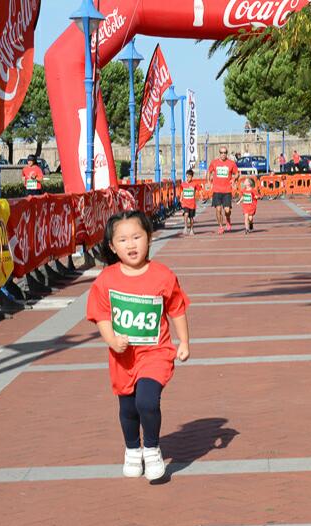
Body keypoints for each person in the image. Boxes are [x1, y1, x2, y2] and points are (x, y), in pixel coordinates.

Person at [86, 210, 191, 481]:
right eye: (123, 240)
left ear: (149, 238)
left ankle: (152, 449)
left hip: (155, 353)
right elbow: (101, 315)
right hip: (123, 357)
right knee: (128, 407)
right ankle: (132, 449)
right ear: (112, 246)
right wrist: (112, 340)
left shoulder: (163, 275)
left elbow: (177, 308)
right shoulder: (106, 279)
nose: (131, 245)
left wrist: (184, 342)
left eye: (137, 237)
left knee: (146, 401)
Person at [207, 146, 240, 234]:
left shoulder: (231, 163)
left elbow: (237, 173)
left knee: (227, 210)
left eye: (225, 152)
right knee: (218, 209)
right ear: (219, 153)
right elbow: (209, 171)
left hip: (227, 191)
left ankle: (228, 220)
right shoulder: (214, 163)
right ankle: (221, 226)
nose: (223, 154)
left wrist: (234, 179)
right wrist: (208, 182)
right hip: (217, 190)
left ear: (227, 153)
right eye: (221, 153)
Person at [180, 169, 200, 236]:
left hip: (192, 204)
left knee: (191, 218)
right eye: (187, 176)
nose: (188, 178)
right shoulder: (183, 184)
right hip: (185, 203)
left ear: (192, 177)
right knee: (186, 214)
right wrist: (181, 198)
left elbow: (199, 190)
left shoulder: (194, 184)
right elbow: (182, 191)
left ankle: (191, 229)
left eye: (189, 177)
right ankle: (185, 227)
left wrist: (202, 195)